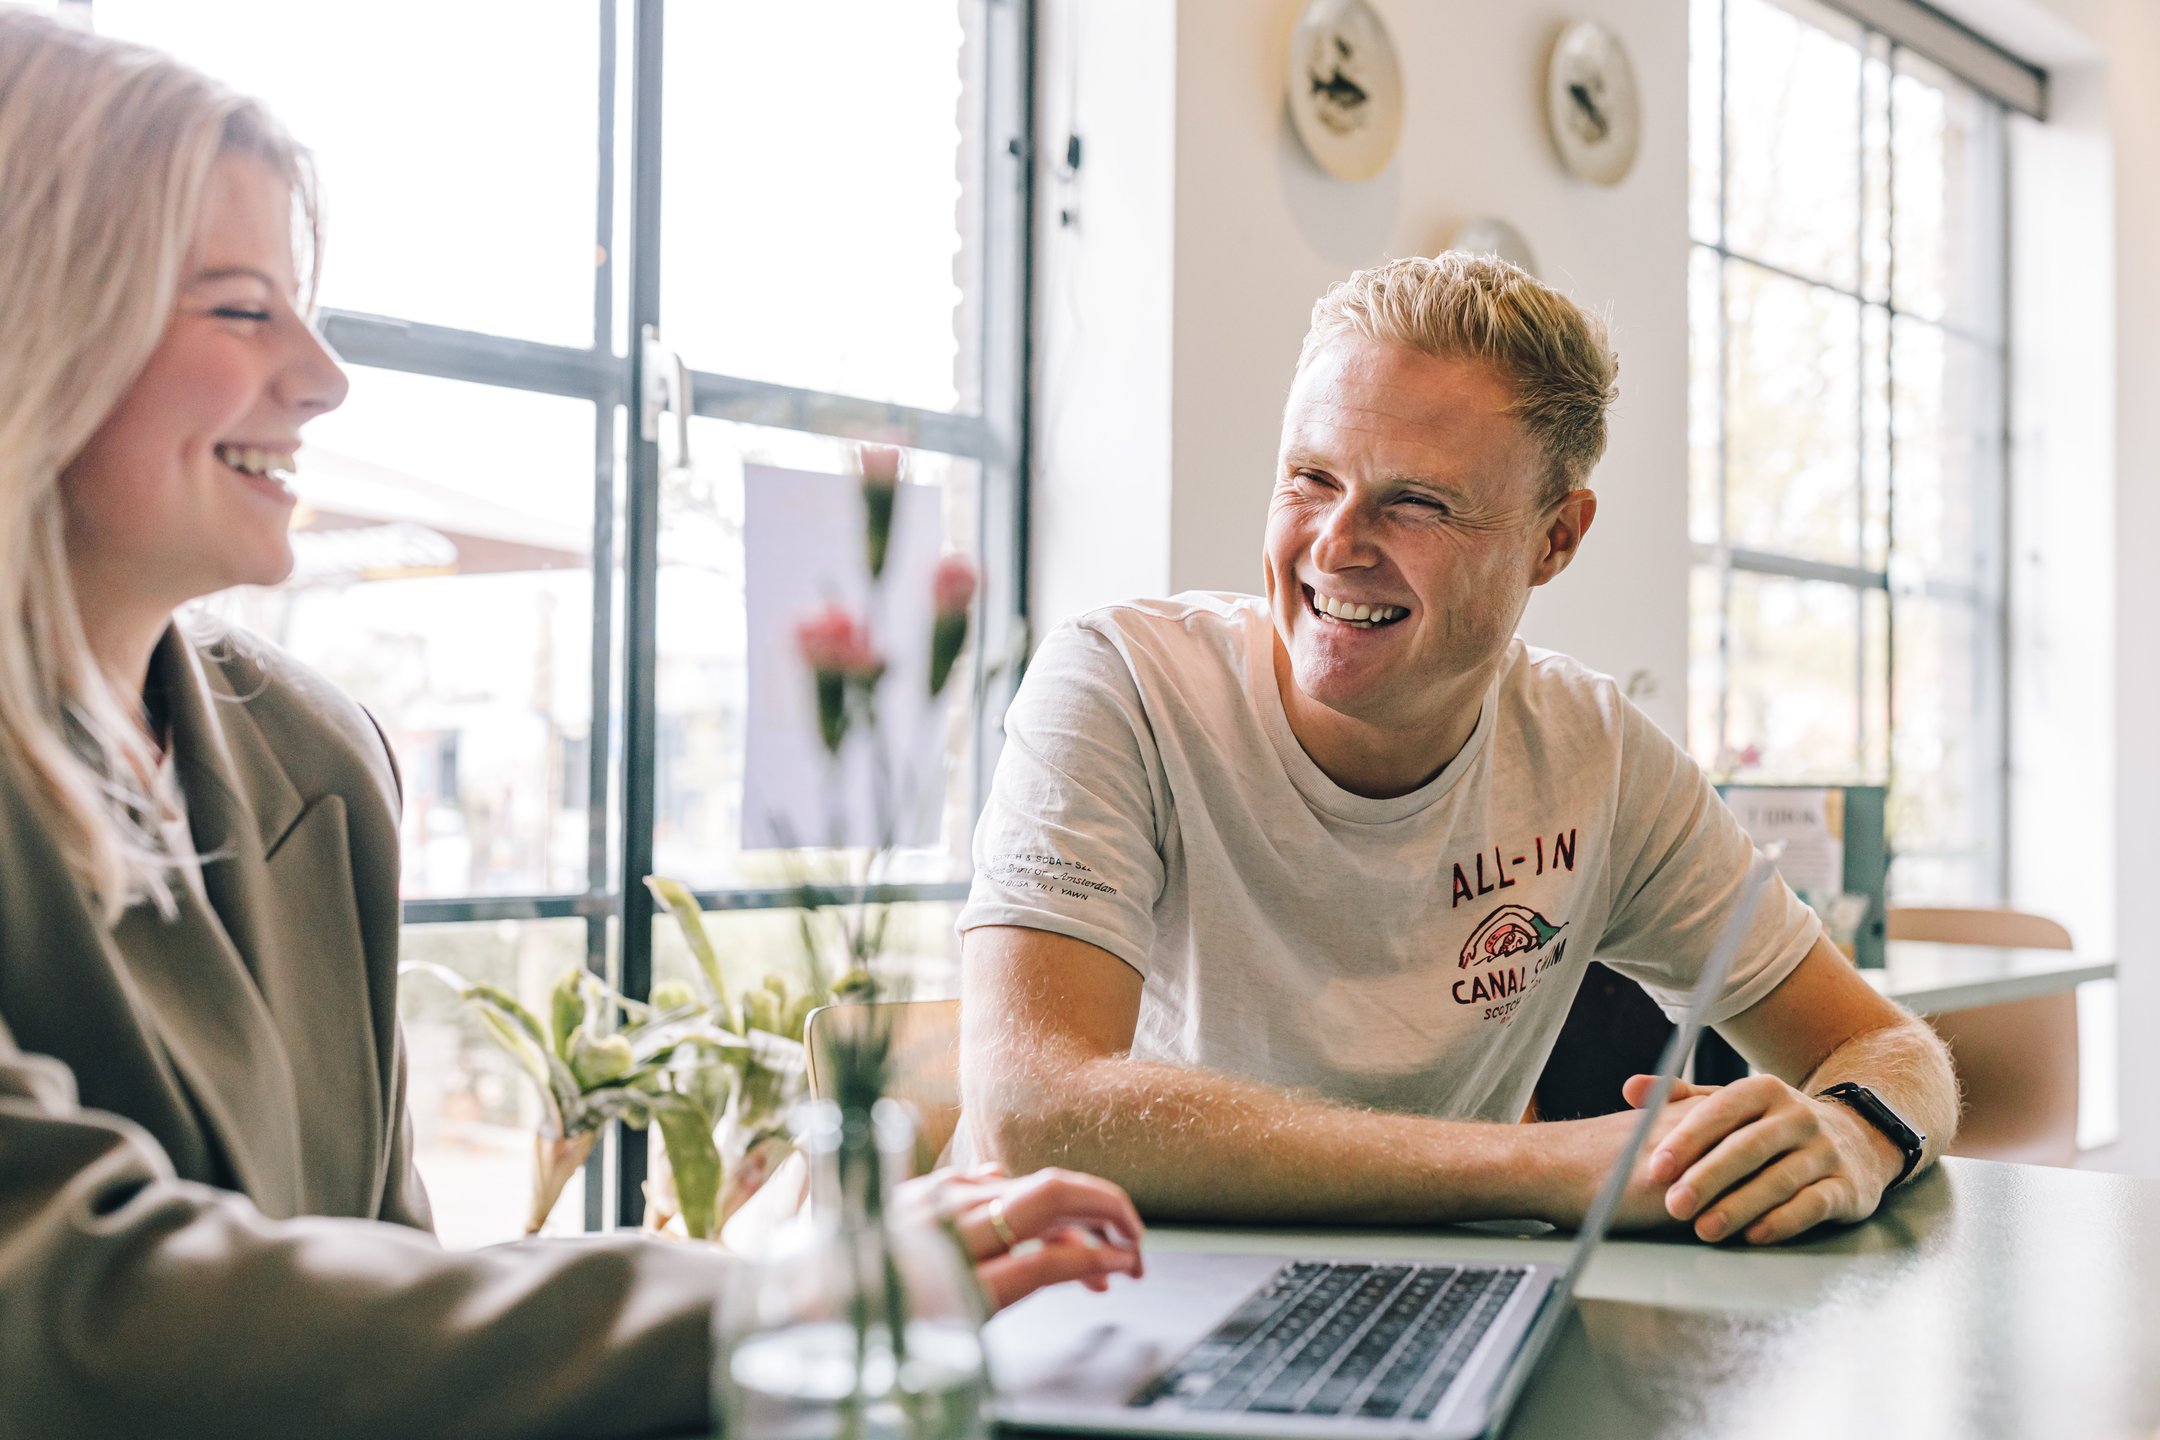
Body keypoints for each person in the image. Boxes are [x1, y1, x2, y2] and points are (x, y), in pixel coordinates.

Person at [0, 12, 1141, 1438]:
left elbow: (386, 1296)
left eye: (303, 305)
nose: (324, 375)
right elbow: (72, 1315)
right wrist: (778, 1301)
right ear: (38, 314)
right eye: (241, 310)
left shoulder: (315, 756)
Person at [958, 252, 1960, 1246]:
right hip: (1100, 1297)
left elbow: (1881, 1043)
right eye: (1311, 478)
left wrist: (1854, 1135)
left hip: (1436, 1316)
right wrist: (1549, 1168)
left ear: (1555, 539)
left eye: (1418, 503)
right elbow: (1031, 1111)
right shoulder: (1121, 683)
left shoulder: (1596, 756)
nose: (1337, 544)